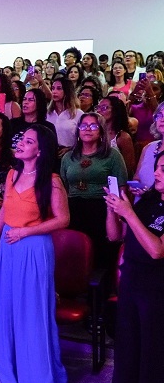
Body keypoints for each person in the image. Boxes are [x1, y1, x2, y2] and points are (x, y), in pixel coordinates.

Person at [0, 124, 69, 383]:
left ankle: (41, 380)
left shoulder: (52, 180)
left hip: (33, 248)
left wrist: (26, 232)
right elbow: (4, 211)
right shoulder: (12, 174)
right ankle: (9, 371)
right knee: (7, 308)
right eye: (21, 139)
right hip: (10, 248)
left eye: (28, 141)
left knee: (32, 313)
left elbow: (63, 219)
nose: (21, 143)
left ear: (40, 150)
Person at [103, 151, 164, 383]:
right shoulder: (149, 201)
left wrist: (128, 212)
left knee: (154, 361)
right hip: (131, 285)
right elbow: (115, 236)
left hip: (157, 292)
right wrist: (113, 210)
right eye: (158, 166)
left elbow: (157, 250)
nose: (158, 172)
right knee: (128, 357)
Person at [60, 112, 127, 267]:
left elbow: (121, 188)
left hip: (102, 209)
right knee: (74, 254)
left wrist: (117, 216)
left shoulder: (112, 156)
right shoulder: (68, 157)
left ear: (101, 131)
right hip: (74, 208)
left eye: (93, 126)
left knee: (100, 258)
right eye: (83, 126)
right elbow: (63, 188)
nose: (87, 129)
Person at [97, 96, 136, 177]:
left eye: (104, 107)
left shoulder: (123, 137)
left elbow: (128, 168)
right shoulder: (94, 133)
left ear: (115, 111)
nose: (98, 111)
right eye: (98, 107)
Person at [46, 77, 83, 155]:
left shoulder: (78, 114)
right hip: (48, 154)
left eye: (59, 88)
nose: (54, 92)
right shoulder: (48, 113)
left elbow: (83, 139)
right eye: (53, 88)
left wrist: (71, 148)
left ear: (67, 91)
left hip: (70, 154)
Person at [132, 103, 164, 193]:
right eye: (160, 115)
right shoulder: (148, 148)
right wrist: (136, 186)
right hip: (142, 204)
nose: (162, 120)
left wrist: (148, 194)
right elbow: (137, 177)